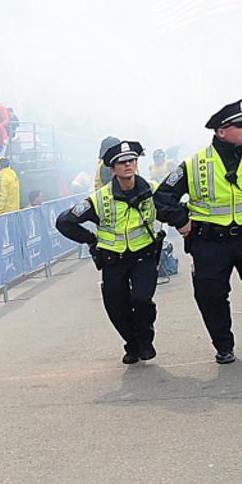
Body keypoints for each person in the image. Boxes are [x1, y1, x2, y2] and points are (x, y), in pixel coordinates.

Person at [154, 100, 242, 364]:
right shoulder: (195, 163)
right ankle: (223, 345)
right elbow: (162, 197)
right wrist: (181, 221)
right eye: (240, 125)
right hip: (209, 242)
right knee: (210, 295)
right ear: (221, 131)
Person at [57, 140, 163, 364]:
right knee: (116, 306)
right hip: (113, 261)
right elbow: (65, 222)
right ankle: (131, 345)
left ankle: (145, 341)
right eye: (122, 162)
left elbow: (172, 207)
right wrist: (91, 240)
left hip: (144, 256)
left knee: (142, 299)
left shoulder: (152, 190)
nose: (128, 165)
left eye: (132, 160)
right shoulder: (99, 198)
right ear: (112, 169)